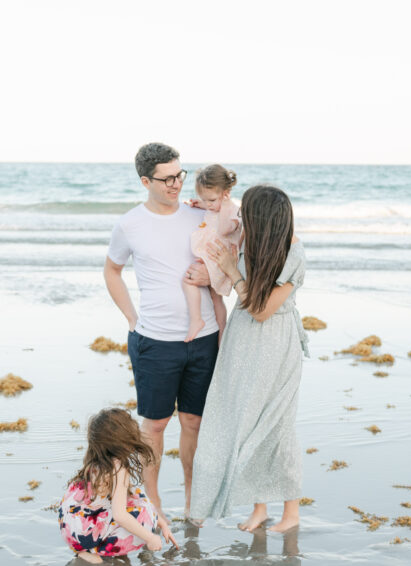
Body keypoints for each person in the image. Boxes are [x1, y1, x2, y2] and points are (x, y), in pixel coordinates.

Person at [104, 142, 219, 525]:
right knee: (154, 426)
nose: (176, 184)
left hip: (204, 338)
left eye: (180, 175)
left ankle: (193, 499)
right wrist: (131, 319)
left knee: (194, 422)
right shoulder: (130, 224)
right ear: (145, 181)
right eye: (167, 178)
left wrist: (211, 275)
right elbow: (112, 271)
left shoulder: (199, 215)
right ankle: (154, 504)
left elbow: (228, 261)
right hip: (154, 341)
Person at [188, 184, 310, 534]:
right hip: (242, 341)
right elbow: (225, 212)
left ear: (263, 219)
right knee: (244, 421)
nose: (240, 217)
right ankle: (260, 508)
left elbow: (260, 310)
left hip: (273, 340)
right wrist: (204, 205)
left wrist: (232, 268)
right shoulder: (253, 238)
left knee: (276, 425)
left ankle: (291, 513)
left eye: (247, 213)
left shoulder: (294, 253)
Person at [58, 408, 178, 563]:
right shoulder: (119, 468)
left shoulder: (94, 459)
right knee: (143, 519)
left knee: (136, 497)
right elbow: (120, 515)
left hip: (70, 527)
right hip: (85, 533)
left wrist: (160, 521)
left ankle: (84, 549)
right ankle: (95, 550)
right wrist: (151, 537)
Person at [183, 164, 242, 342]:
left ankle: (197, 321)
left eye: (211, 200)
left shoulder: (232, 209)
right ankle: (221, 335)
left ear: (225, 193)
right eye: (204, 199)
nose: (208, 205)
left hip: (219, 257)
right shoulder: (214, 205)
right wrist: (199, 204)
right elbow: (211, 208)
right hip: (213, 255)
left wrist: (223, 204)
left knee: (188, 280)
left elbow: (225, 229)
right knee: (215, 299)